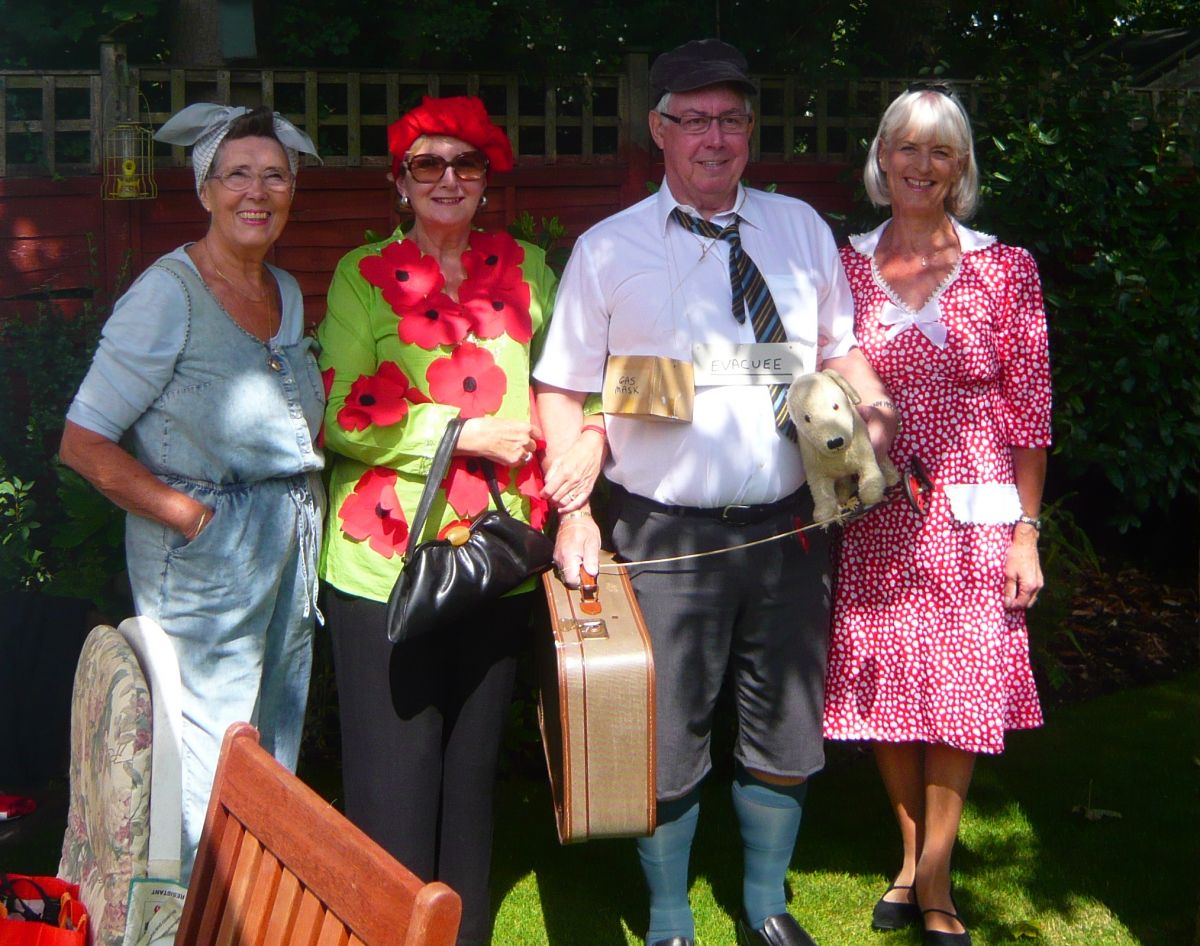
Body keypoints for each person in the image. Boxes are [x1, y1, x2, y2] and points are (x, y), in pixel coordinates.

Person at [534, 39, 897, 946]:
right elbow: (561, 386)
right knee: (665, 733)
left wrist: (875, 406)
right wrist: (573, 511)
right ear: (658, 129)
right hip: (664, 535)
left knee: (786, 725)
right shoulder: (608, 249)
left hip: (790, 529)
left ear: (750, 129)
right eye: (694, 119)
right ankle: (669, 918)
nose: (715, 138)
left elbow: (837, 348)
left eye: (731, 119)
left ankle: (767, 907)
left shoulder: (800, 229)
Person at [316, 95, 593, 946]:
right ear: (399, 182)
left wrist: (585, 467)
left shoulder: (529, 270)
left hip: (495, 559)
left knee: (470, 785)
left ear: (487, 178)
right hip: (385, 562)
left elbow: (568, 389)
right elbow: (340, 415)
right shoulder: (363, 274)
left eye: (465, 164)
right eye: (426, 165)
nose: (447, 179)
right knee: (392, 786)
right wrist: (461, 431)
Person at [60, 104, 324, 881]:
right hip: (204, 560)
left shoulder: (284, 289)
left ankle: (247, 904)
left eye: (274, 175)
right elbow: (83, 442)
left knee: (272, 737)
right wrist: (191, 517)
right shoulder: (167, 294)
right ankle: (189, 911)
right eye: (236, 174)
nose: (257, 192)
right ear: (204, 190)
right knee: (208, 755)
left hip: (285, 547)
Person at [822, 83, 1051, 946]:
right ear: (882, 158)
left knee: (960, 682)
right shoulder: (842, 263)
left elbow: (1031, 412)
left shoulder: (1005, 268)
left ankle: (936, 877)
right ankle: (911, 856)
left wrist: (1027, 531)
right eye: (907, 147)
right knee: (887, 680)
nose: (921, 165)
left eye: (940, 151)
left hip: (976, 514)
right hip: (877, 510)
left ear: (961, 168)